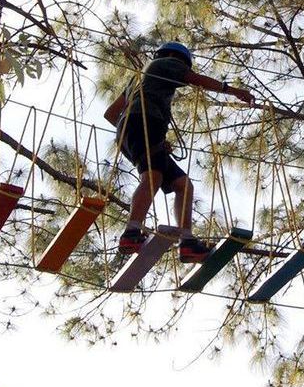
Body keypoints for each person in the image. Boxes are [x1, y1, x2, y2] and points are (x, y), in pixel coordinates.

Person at [104, 42, 255, 263]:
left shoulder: (137, 79)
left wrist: (134, 131)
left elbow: (110, 114)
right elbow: (196, 80)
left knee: (183, 185)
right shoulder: (166, 62)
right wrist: (233, 91)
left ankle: (187, 242)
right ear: (176, 58)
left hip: (134, 130)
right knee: (153, 177)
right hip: (146, 123)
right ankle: (132, 233)